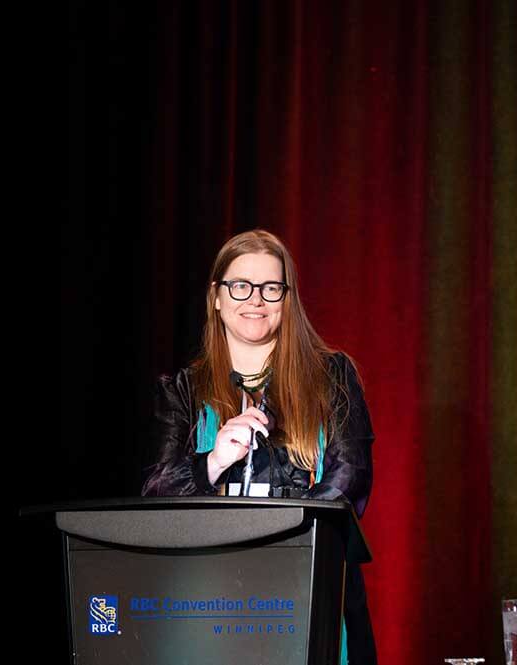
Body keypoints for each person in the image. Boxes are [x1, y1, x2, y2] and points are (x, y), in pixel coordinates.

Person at [142, 229, 376, 664]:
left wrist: (280, 539)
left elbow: (350, 477)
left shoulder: (331, 376)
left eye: (271, 288)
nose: (256, 299)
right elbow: (157, 492)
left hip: (312, 590)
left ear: (287, 299)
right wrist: (213, 462)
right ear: (217, 297)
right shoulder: (182, 391)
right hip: (210, 599)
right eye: (240, 286)